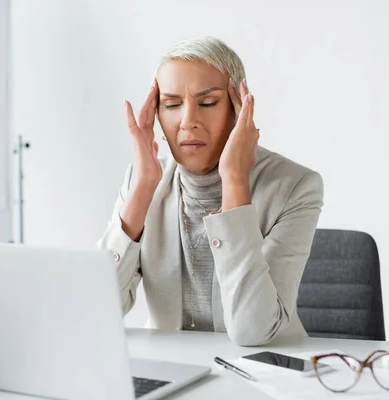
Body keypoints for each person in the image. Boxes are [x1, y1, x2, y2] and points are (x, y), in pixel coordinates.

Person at [98, 36, 324, 346]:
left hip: (263, 372)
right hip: (173, 370)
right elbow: (97, 309)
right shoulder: (141, 181)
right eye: (172, 104)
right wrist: (142, 189)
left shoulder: (295, 186)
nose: (188, 121)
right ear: (157, 115)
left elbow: (252, 331)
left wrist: (234, 180)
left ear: (238, 111)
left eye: (207, 102)